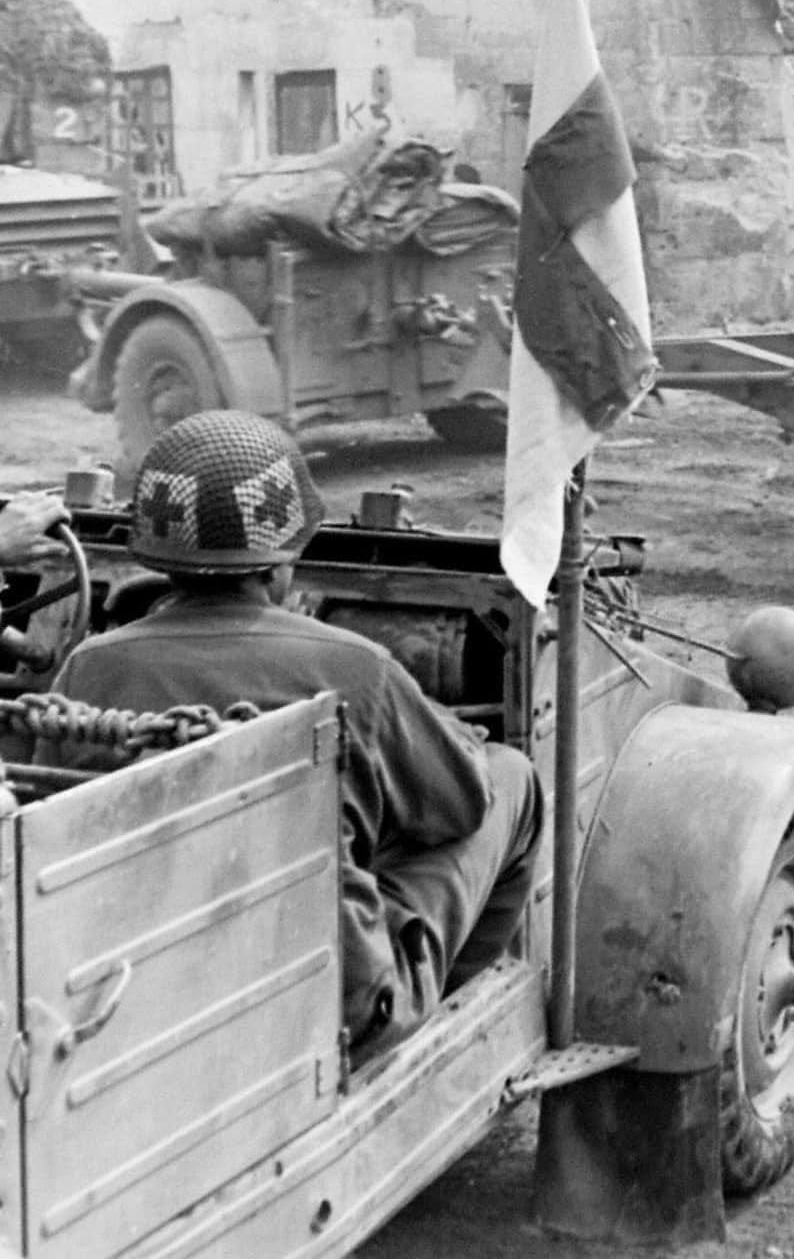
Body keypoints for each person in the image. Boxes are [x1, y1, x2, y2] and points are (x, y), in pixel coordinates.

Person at [40, 412, 544, 1059]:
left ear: (156, 560)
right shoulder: (358, 669)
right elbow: (461, 808)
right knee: (509, 777)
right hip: (329, 1002)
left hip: (137, 985)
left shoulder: (89, 666)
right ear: (285, 563)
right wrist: (454, 740)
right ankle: (420, 1031)